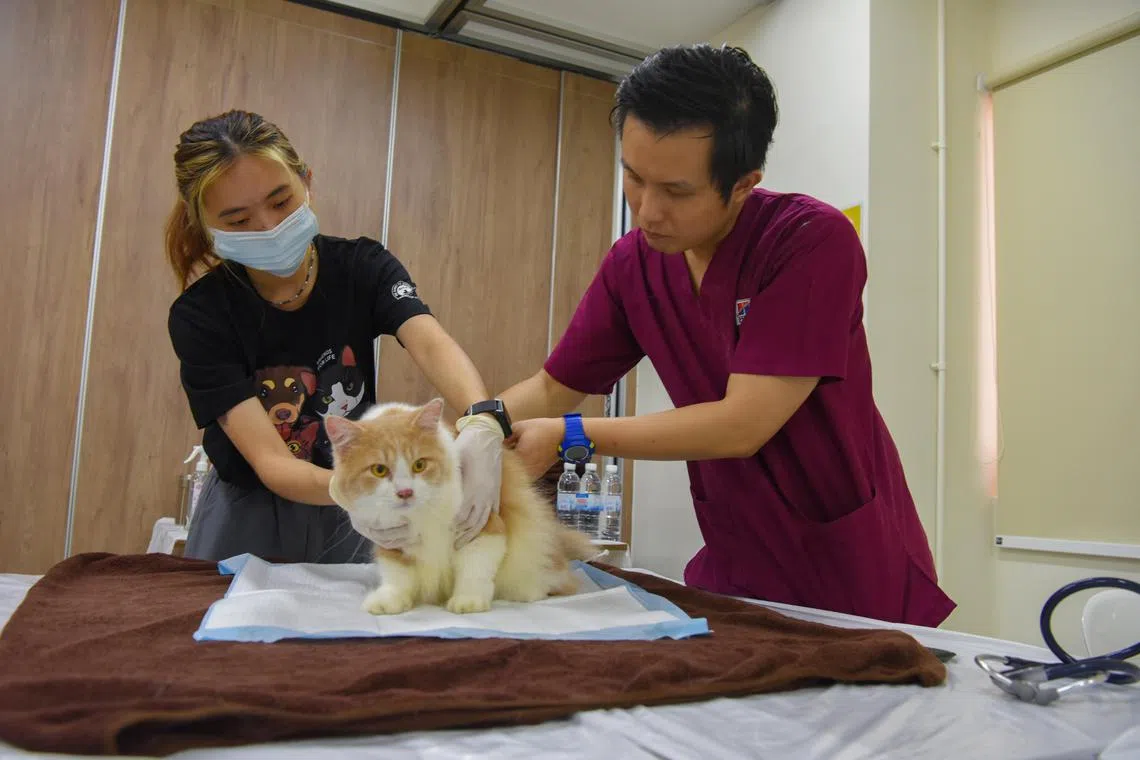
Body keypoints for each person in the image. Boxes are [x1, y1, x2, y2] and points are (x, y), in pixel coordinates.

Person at [497, 44, 956, 626]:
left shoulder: (810, 242)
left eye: (677, 191)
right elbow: (551, 388)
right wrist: (468, 434)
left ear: (742, 184)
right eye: (633, 177)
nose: (646, 211)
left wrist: (570, 436)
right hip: (735, 555)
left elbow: (744, 424)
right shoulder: (632, 265)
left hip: (845, 564)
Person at [166, 109, 508, 564]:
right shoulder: (202, 315)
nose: (268, 227)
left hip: (359, 498)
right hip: (252, 511)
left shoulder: (361, 267)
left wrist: (482, 420)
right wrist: (358, 491)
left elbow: (430, 342)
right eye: (238, 220)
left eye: (281, 202)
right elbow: (272, 463)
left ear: (307, 181)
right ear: (205, 226)